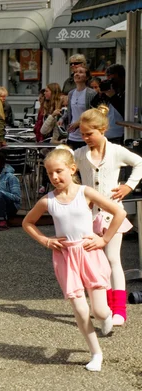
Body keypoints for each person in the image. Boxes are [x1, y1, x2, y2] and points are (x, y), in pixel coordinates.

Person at [23, 146, 126, 372]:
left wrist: (104, 240)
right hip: (66, 257)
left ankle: (106, 316)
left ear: (72, 169)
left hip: (89, 252)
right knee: (80, 310)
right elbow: (27, 223)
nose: (55, 177)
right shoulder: (47, 201)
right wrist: (46, 241)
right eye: (50, 173)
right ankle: (96, 352)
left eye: (59, 171)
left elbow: (119, 213)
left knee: (99, 311)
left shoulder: (85, 192)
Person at [74, 106, 142, 326]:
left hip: (112, 215)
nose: (85, 138)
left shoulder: (116, 151)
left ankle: (119, 310)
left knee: (113, 260)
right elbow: (66, 166)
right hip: (87, 216)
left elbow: (140, 163)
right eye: (82, 134)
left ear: (102, 129)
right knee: (94, 263)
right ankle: (101, 306)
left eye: (89, 134)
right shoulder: (80, 154)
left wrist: (128, 186)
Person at [59, 64, 99, 150]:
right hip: (72, 135)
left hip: (86, 136)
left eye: (81, 72)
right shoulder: (71, 93)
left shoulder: (91, 94)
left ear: (87, 77)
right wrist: (62, 119)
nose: (77, 74)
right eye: (75, 72)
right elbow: (70, 111)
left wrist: (79, 122)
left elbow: (93, 113)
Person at [97, 64, 126, 145]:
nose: (111, 82)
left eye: (113, 79)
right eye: (108, 79)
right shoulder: (111, 90)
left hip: (121, 135)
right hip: (107, 134)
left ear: (122, 77)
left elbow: (124, 111)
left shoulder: (128, 92)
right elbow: (94, 105)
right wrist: (101, 93)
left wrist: (113, 97)